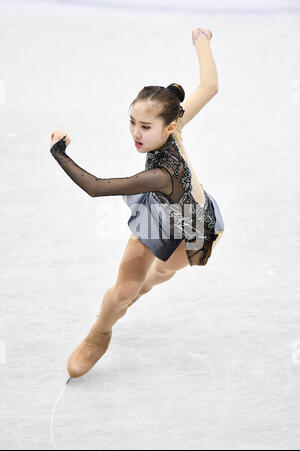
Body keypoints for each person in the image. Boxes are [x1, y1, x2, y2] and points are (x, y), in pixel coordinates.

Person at [50, 27, 224, 379]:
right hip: (159, 215)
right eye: (132, 122)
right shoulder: (169, 128)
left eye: (145, 126)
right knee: (124, 289)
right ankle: (99, 331)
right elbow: (209, 86)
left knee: (161, 274)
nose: (135, 133)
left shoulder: (164, 172)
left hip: (196, 225)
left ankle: (137, 293)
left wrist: (58, 153)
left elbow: (96, 187)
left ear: (171, 126)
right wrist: (201, 40)